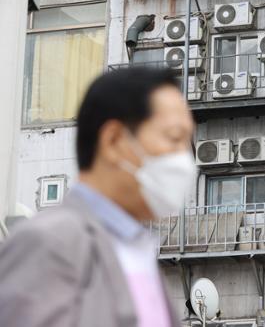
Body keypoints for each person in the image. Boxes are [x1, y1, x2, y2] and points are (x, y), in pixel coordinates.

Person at [0, 68, 196, 327]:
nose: (184, 158)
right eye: (174, 138)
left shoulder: (137, 251)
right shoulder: (49, 242)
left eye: (188, 144)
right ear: (113, 140)